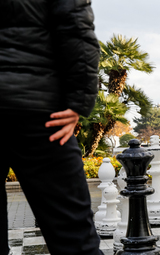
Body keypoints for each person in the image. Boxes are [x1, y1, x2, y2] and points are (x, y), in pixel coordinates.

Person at [0, 1, 102, 254]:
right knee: (73, 233)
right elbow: (76, 27)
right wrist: (78, 100)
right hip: (39, 111)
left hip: (36, 105)